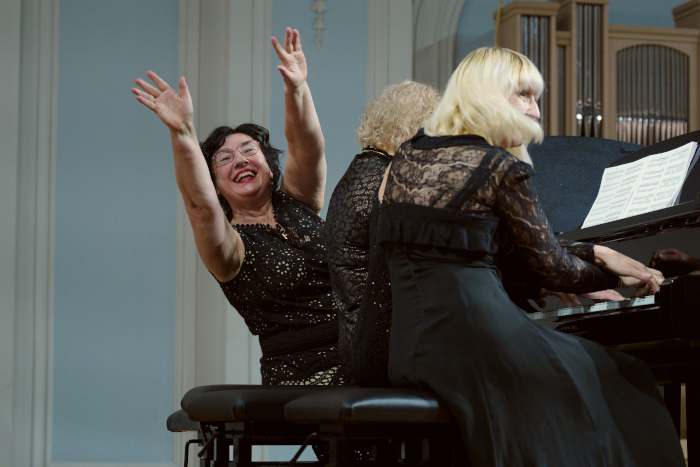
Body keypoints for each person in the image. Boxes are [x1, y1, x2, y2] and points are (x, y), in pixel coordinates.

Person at [378, 47, 684, 466]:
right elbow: (552, 268)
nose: (536, 112)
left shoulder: (408, 157)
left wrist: (594, 251)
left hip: (412, 348)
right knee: (626, 375)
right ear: (487, 93)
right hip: (483, 344)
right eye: (524, 95)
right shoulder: (498, 166)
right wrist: (616, 277)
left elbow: (494, 244)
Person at [132, 28, 344, 386]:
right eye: (224, 158)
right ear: (214, 183)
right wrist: (182, 132)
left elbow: (306, 146)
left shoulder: (297, 202)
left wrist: (296, 89)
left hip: (363, 353)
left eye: (249, 150)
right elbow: (200, 207)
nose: (240, 159)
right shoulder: (230, 247)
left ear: (269, 165)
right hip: (304, 375)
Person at [325, 80, 440, 385]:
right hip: (386, 350)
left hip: (355, 344)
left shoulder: (354, 175)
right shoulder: (388, 181)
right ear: (414, 127)